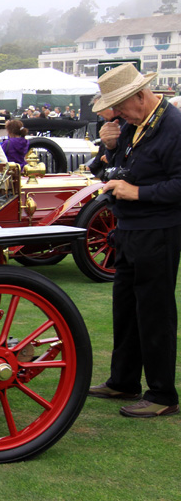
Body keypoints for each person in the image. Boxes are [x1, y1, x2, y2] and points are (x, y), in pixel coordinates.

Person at [87, 64, 181, 418]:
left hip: (158, 230)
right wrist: (109, 148)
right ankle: (123, 380)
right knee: (125, 310)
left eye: (121, 107)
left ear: (140, 97)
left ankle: (162, 395)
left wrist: (138, 192)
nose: (117, 115)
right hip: (128, 230)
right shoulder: (132, 125)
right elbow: (113, 171)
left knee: (154, 313)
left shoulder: (173, 127)